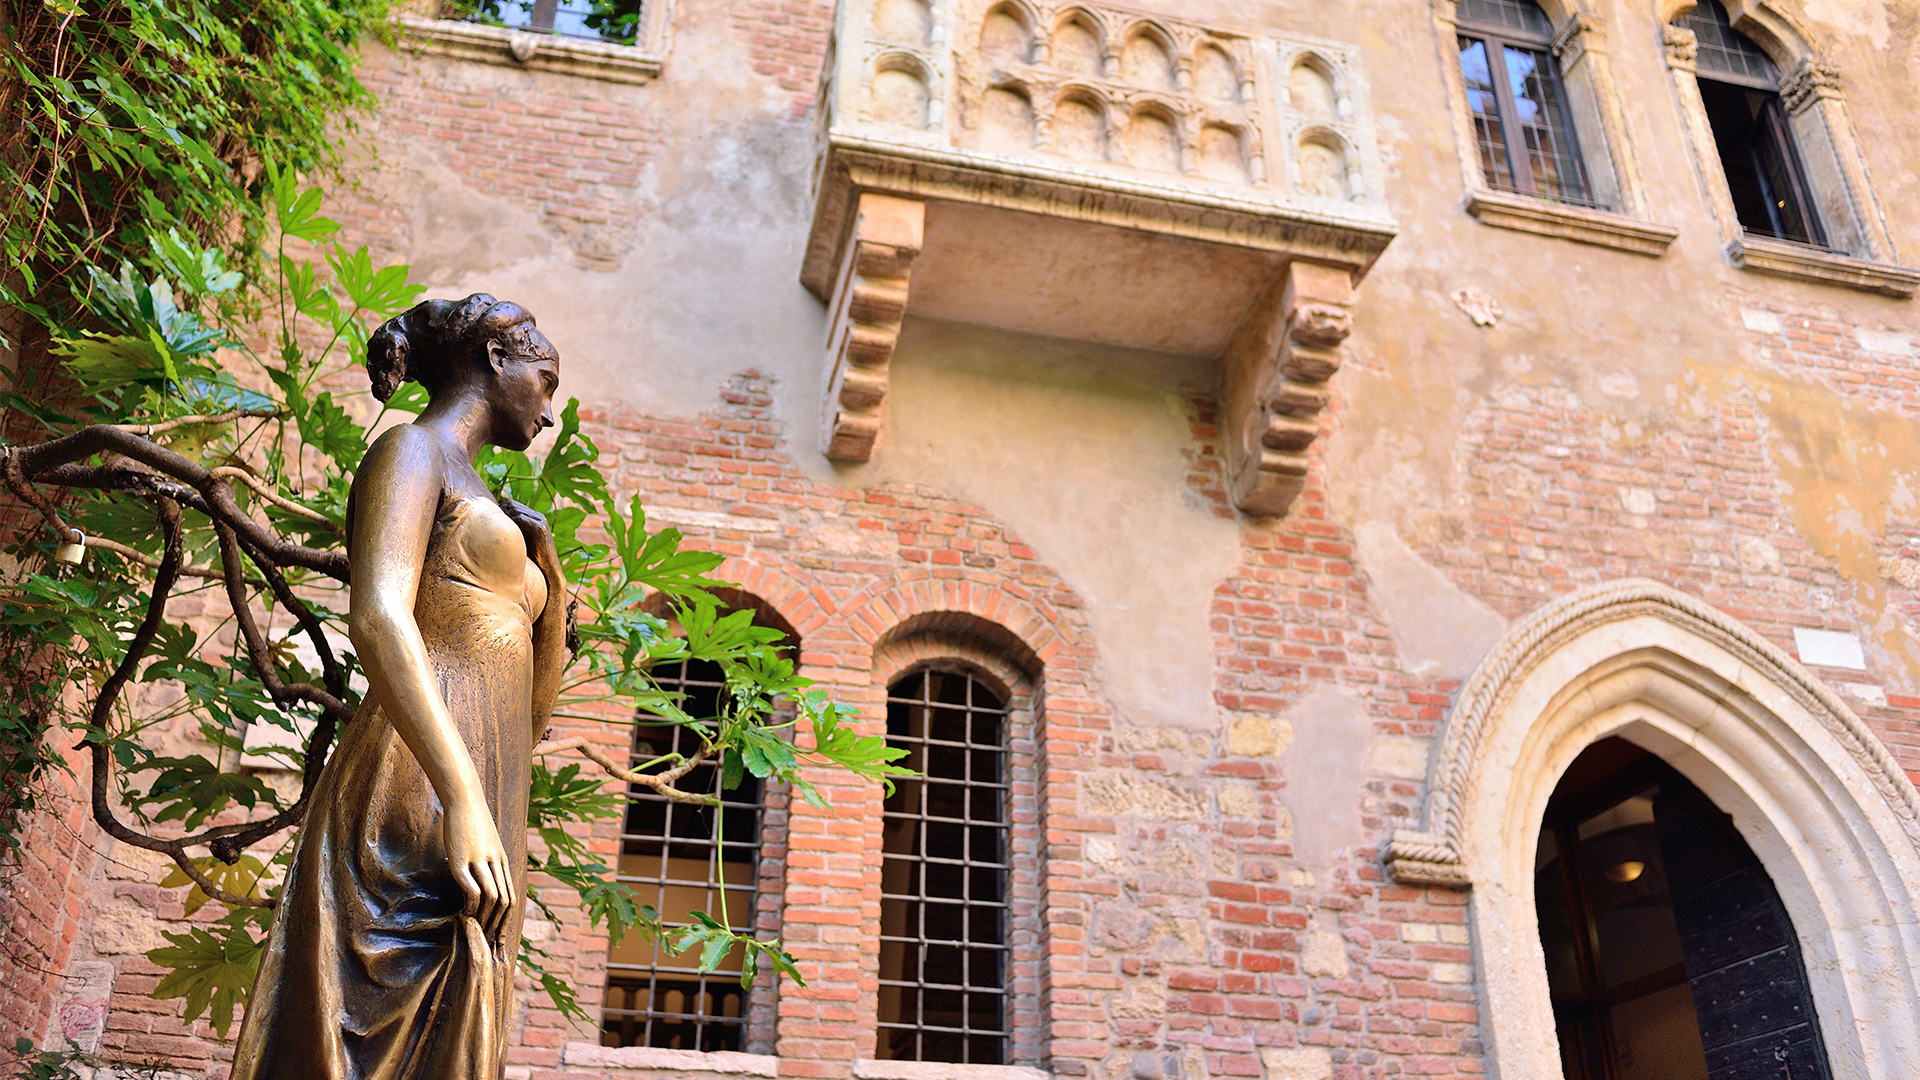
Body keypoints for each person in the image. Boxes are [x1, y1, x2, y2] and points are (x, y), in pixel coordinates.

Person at [232, 295, 570, 1079]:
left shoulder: (504, 512)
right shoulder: (411, 453)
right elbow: (380, 619)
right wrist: (461, 798)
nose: (549, 414)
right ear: (496, 359)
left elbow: (533, 719)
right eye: (545, 382)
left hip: (488, 785)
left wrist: (547, 570)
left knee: (459, 1030)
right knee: (361, 1031)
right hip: (419, 780)